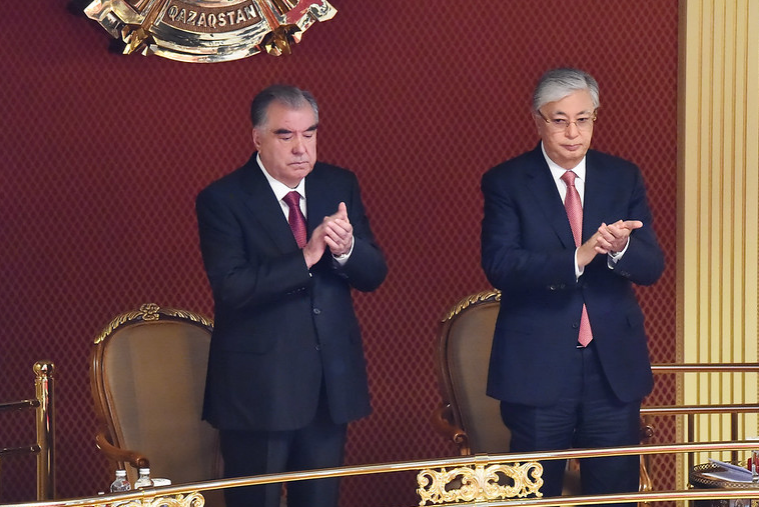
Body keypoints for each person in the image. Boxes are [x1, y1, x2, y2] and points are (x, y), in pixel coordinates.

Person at [196, 84, 387, 507]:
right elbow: (232, 288)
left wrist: (347, 250)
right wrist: (307, 256)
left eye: (310, 133)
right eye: (286, 135)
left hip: (328, 387)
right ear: (257, 138)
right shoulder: (222, 199)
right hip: (259, 389)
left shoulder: (338, 184)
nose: (301, 148)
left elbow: (373, 274)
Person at [480, 68, 665, 502]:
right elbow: (500, 264)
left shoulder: (623, 176)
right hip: (538, 367)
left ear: (595, 117)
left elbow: (652, 267)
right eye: (559, 120)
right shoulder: (507, 181)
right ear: (537, 120)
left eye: (583, 119)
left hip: (611, 369)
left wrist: (620, 249)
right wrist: (577, 258)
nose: (572, 132)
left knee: (613, 495)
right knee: (535, 494)